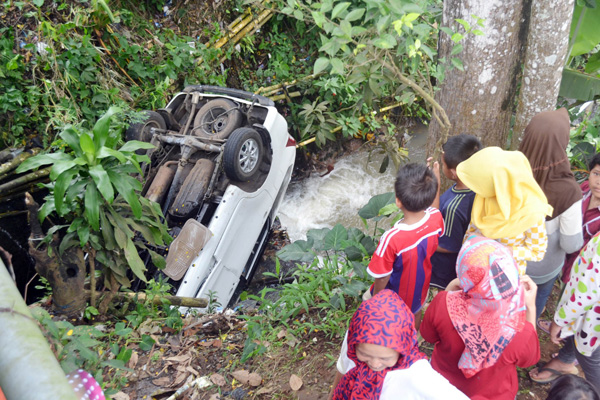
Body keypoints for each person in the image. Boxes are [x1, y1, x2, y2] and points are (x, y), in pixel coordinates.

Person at [421, 235, 540, 400]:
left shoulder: (443, 303)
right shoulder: (520, 330)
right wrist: (531, 308)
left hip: (442, 387)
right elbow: (529, 360)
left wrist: (448, 292)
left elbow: (428, 336)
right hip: (493, 394)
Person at [329, 289, 469, 400]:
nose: (375, 364)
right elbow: (342, 370)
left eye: (385, 358)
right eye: (365, 355)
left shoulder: (417, 374)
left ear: (404, 349)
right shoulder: (353, 342)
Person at [518, 108, 583, 321]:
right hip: (542, 270)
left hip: (508, 261)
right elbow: (571, 244)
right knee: (531, 312)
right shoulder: (568, 190)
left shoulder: (511, 172)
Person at [366, 163, 443, 327]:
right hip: (420, 287)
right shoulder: (436, 219)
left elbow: (382, 276)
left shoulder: (392, 239)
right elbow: (434, 209)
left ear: (398, 201)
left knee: (376, 309)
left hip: (394, 299)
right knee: (416, 309)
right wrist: (437, 180)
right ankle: (412, 338)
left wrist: (377, 302)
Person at [457, 146, 553, 275]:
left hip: (506, 277)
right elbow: (472, 229)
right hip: (477, 269)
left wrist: (504, 250)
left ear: (495, 182)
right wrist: (473, 240)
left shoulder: (531, 211)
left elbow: (537, 252)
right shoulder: (485, 196)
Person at [529, 231, 600, 391]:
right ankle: (564, 362)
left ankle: (593, 392)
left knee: (592, 361)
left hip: (592, 326)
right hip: (587, 317)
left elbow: (586, 294)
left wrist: (560, 321)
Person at [430, 134, 482, 290]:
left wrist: (421, 241)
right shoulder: (479, 187)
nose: (441, 165)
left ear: (453, 173)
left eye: (443, 163)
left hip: (445, 270)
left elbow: (450, 246)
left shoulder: (454, 208)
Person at [562, 152, 600, 284]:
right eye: (596, 173)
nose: (598, 182)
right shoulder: (583, 189)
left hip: (580, 270)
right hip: (560, 254)